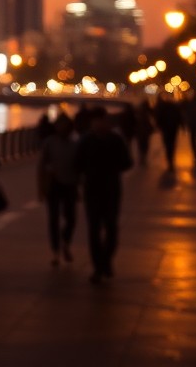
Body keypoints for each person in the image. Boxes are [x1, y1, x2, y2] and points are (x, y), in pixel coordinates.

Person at [75, 108, 133, 284]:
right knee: (94, 230)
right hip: (92, 190)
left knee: (111, 228)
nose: (99, 124)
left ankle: (106, 260)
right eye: (95, 121)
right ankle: (98, 267)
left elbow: (127, 162)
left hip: (111, 190)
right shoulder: (85, 141)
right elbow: (77, 164)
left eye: (101, 121)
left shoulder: (115, 140)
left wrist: (111, 168)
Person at [37, 113, 79, 267]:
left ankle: (65, 241)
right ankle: (56, 251)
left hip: (70, 185)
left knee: (71, 218)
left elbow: (79, 166)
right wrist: (41, 189)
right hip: (53, 185)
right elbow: (41, 166)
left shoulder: (75, 144)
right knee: (53, 219)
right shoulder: (50, 143)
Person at [155, 95, 182, 170]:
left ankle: (169, 160)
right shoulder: (175, 108)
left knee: (167, 144)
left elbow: (159, 118)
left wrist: (159, 126)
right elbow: (179, 117)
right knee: (172, 144)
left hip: (166, 128)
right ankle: (171, 160)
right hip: (174, 127)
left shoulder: (163, 108)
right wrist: (181, 125)